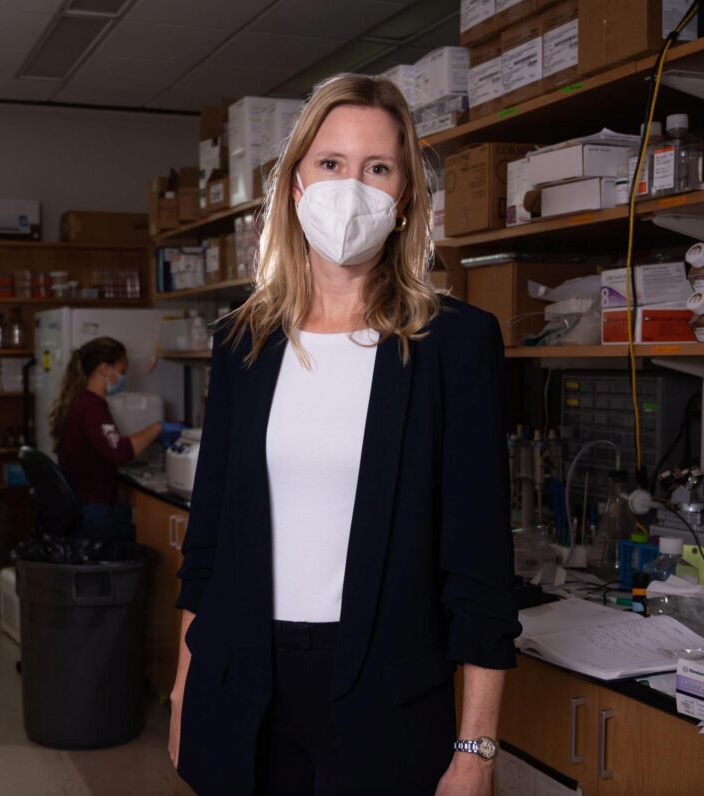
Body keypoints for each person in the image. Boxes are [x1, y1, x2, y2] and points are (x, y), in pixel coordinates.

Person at [167, 74, 520, 795]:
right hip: (240, 684)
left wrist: (476, 748)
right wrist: (183, 688)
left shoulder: (455, 345)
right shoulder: (243, 342)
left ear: (405, 197)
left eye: (377, 168)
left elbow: (481, 566)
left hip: (385, 696)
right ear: (295, 183)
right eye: (330, 164)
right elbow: (207, 543)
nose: (350, 187)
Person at [48, 336, 183, 540]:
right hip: (93, 509)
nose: (122, 379)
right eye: (121, 372)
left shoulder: (81, 401)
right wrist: (158, 428)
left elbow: (105, 443)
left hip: (83, 503)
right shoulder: (92, 406)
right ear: (104, 369)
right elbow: (118, 452)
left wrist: (149, 437)